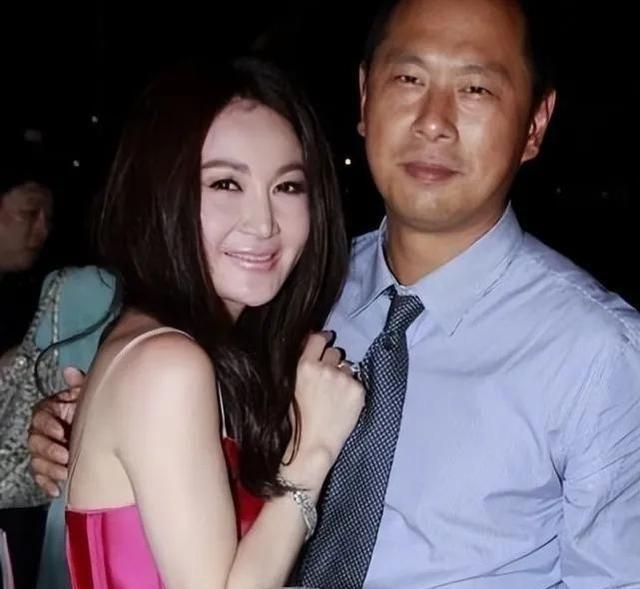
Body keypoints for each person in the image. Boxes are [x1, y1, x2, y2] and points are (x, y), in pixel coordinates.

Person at [29, 0, 640, 587]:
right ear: (365, 98)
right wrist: (88, 434)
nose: (434, 120)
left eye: (475, 88)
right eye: (409, 78)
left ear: (535, 124)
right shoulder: (289, 287)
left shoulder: (599, 353)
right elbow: (175, 418)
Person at [31, 58, 365, 588]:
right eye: (226, 183)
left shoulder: (202, 352)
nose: (263, 222)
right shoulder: (169, 364)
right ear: (161, 193)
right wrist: (311, 455)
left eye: (288, 187)